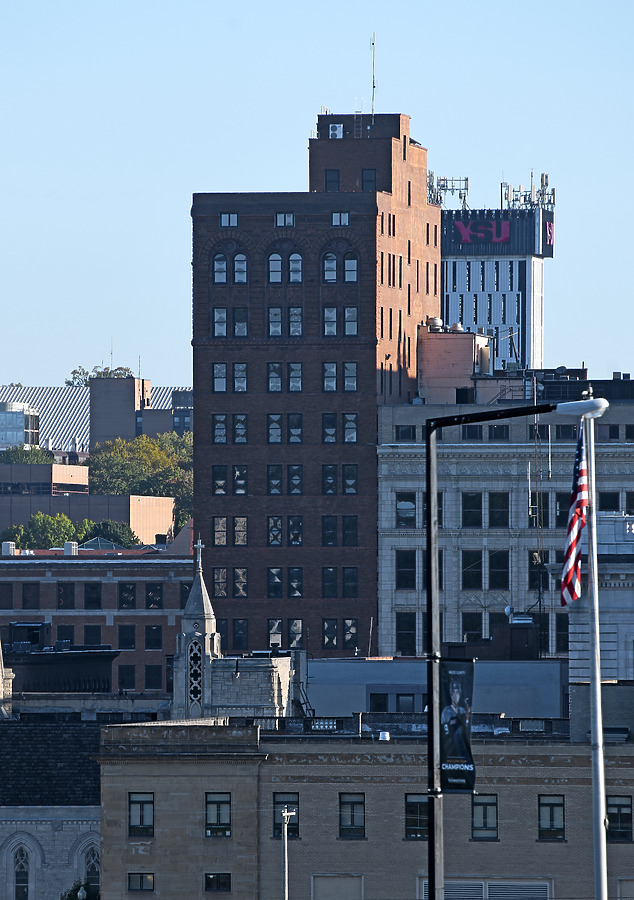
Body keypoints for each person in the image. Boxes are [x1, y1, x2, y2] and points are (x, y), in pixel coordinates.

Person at [441, 678, 470, 760]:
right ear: (450, 695)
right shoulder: (446, 711)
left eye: (457, 693)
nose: (455, 696)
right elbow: (445, 732)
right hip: (450, 748)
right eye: (453, 693)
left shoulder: (462, 711)